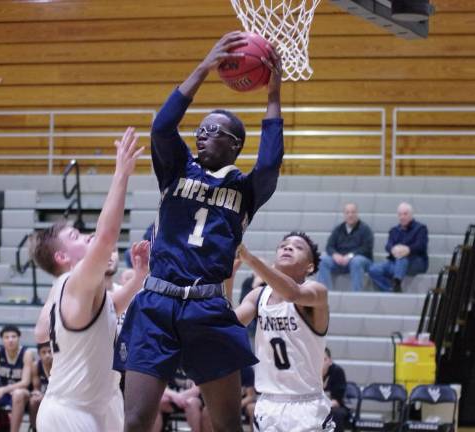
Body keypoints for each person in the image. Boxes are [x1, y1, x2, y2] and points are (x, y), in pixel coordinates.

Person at [114, 31, 284, 432]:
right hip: (156, 302)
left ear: (235, 145)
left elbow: (272, 162)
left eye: (214, 131)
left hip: (207, 308)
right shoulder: (176, 170)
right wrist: (205, 67)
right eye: (201, 129)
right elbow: (162, 125)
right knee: (136, 419)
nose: (201, 134)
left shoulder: (245, 190)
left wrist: (273, 96)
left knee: (226, 424)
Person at [30, 127, 148, 432]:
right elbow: (107, 237)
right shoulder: (74, 281)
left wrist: (137, 280)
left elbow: (109, 307)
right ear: (62, 257)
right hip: (70, 411)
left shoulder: (75, 290)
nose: (85, 237)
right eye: (75, 236)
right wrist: (121, 174)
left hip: (93, 407)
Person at [234, 233, 335, 431]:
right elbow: (229, 325)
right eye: (283, 245)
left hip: (307, 406)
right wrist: (228, 277)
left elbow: (292, 294)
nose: (288, 248)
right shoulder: (258, 296)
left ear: (310, 266)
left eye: (298, 247)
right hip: (268, 406)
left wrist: (250, 259)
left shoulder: (317, 292)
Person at [368, 202, 429, 293]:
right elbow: (388, 246)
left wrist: (408, 250)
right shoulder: (394, 230)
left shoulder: (420, 228)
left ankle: (397, 281)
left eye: (405, 214)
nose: (402, 217)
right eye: (400, 214)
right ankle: (391, 289)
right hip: (396, 263)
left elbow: (421, 245)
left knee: (402, 258)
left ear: (411, 215)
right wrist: (393, 249)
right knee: (373, 269)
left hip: (415, 262)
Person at [316, 203, 374, 292]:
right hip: (340, 261)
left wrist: (350, 256)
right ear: (344, 215)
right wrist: (335, 255)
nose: (350, 215)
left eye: (353, 212)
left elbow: (366, 248)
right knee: (322, 260)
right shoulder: (338, 229)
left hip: (359, 260)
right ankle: (326, 294)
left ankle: (356, 296)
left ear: (357, 214)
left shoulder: (365, 229)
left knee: (356, 261)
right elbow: (329, 246)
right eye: (347, 213)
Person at [322, 348, 349, 432]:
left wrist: (322, 406)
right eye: (318, 359)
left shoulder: (337, 372)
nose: (321, 363)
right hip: (317, 405)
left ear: (330, 361)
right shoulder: (311, 373)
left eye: (324, 359)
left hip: (335, 406)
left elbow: (337, 401)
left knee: (336, 414)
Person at [28, 342, 52, 431]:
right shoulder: (36, 366)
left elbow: (62, 390)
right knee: (33, 401)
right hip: (44, 395)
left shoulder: (60, 365)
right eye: (44, 352)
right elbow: (36, 388)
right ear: (39, 354)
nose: (47, 355)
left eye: (50, 352)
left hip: (59, 396)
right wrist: (38, 394)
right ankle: (34, 428)